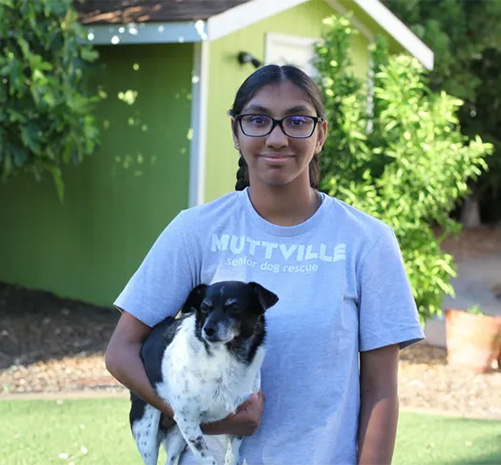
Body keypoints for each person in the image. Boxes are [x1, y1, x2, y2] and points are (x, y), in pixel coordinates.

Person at [105, 64, 424, 465]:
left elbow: (380, 389)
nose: (277, 138)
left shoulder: (367, 241)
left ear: (320, 134)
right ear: (237, 134)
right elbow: (122, 352)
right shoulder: (196, 231)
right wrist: (213, 422)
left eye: (296, 120)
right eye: (258, 120)